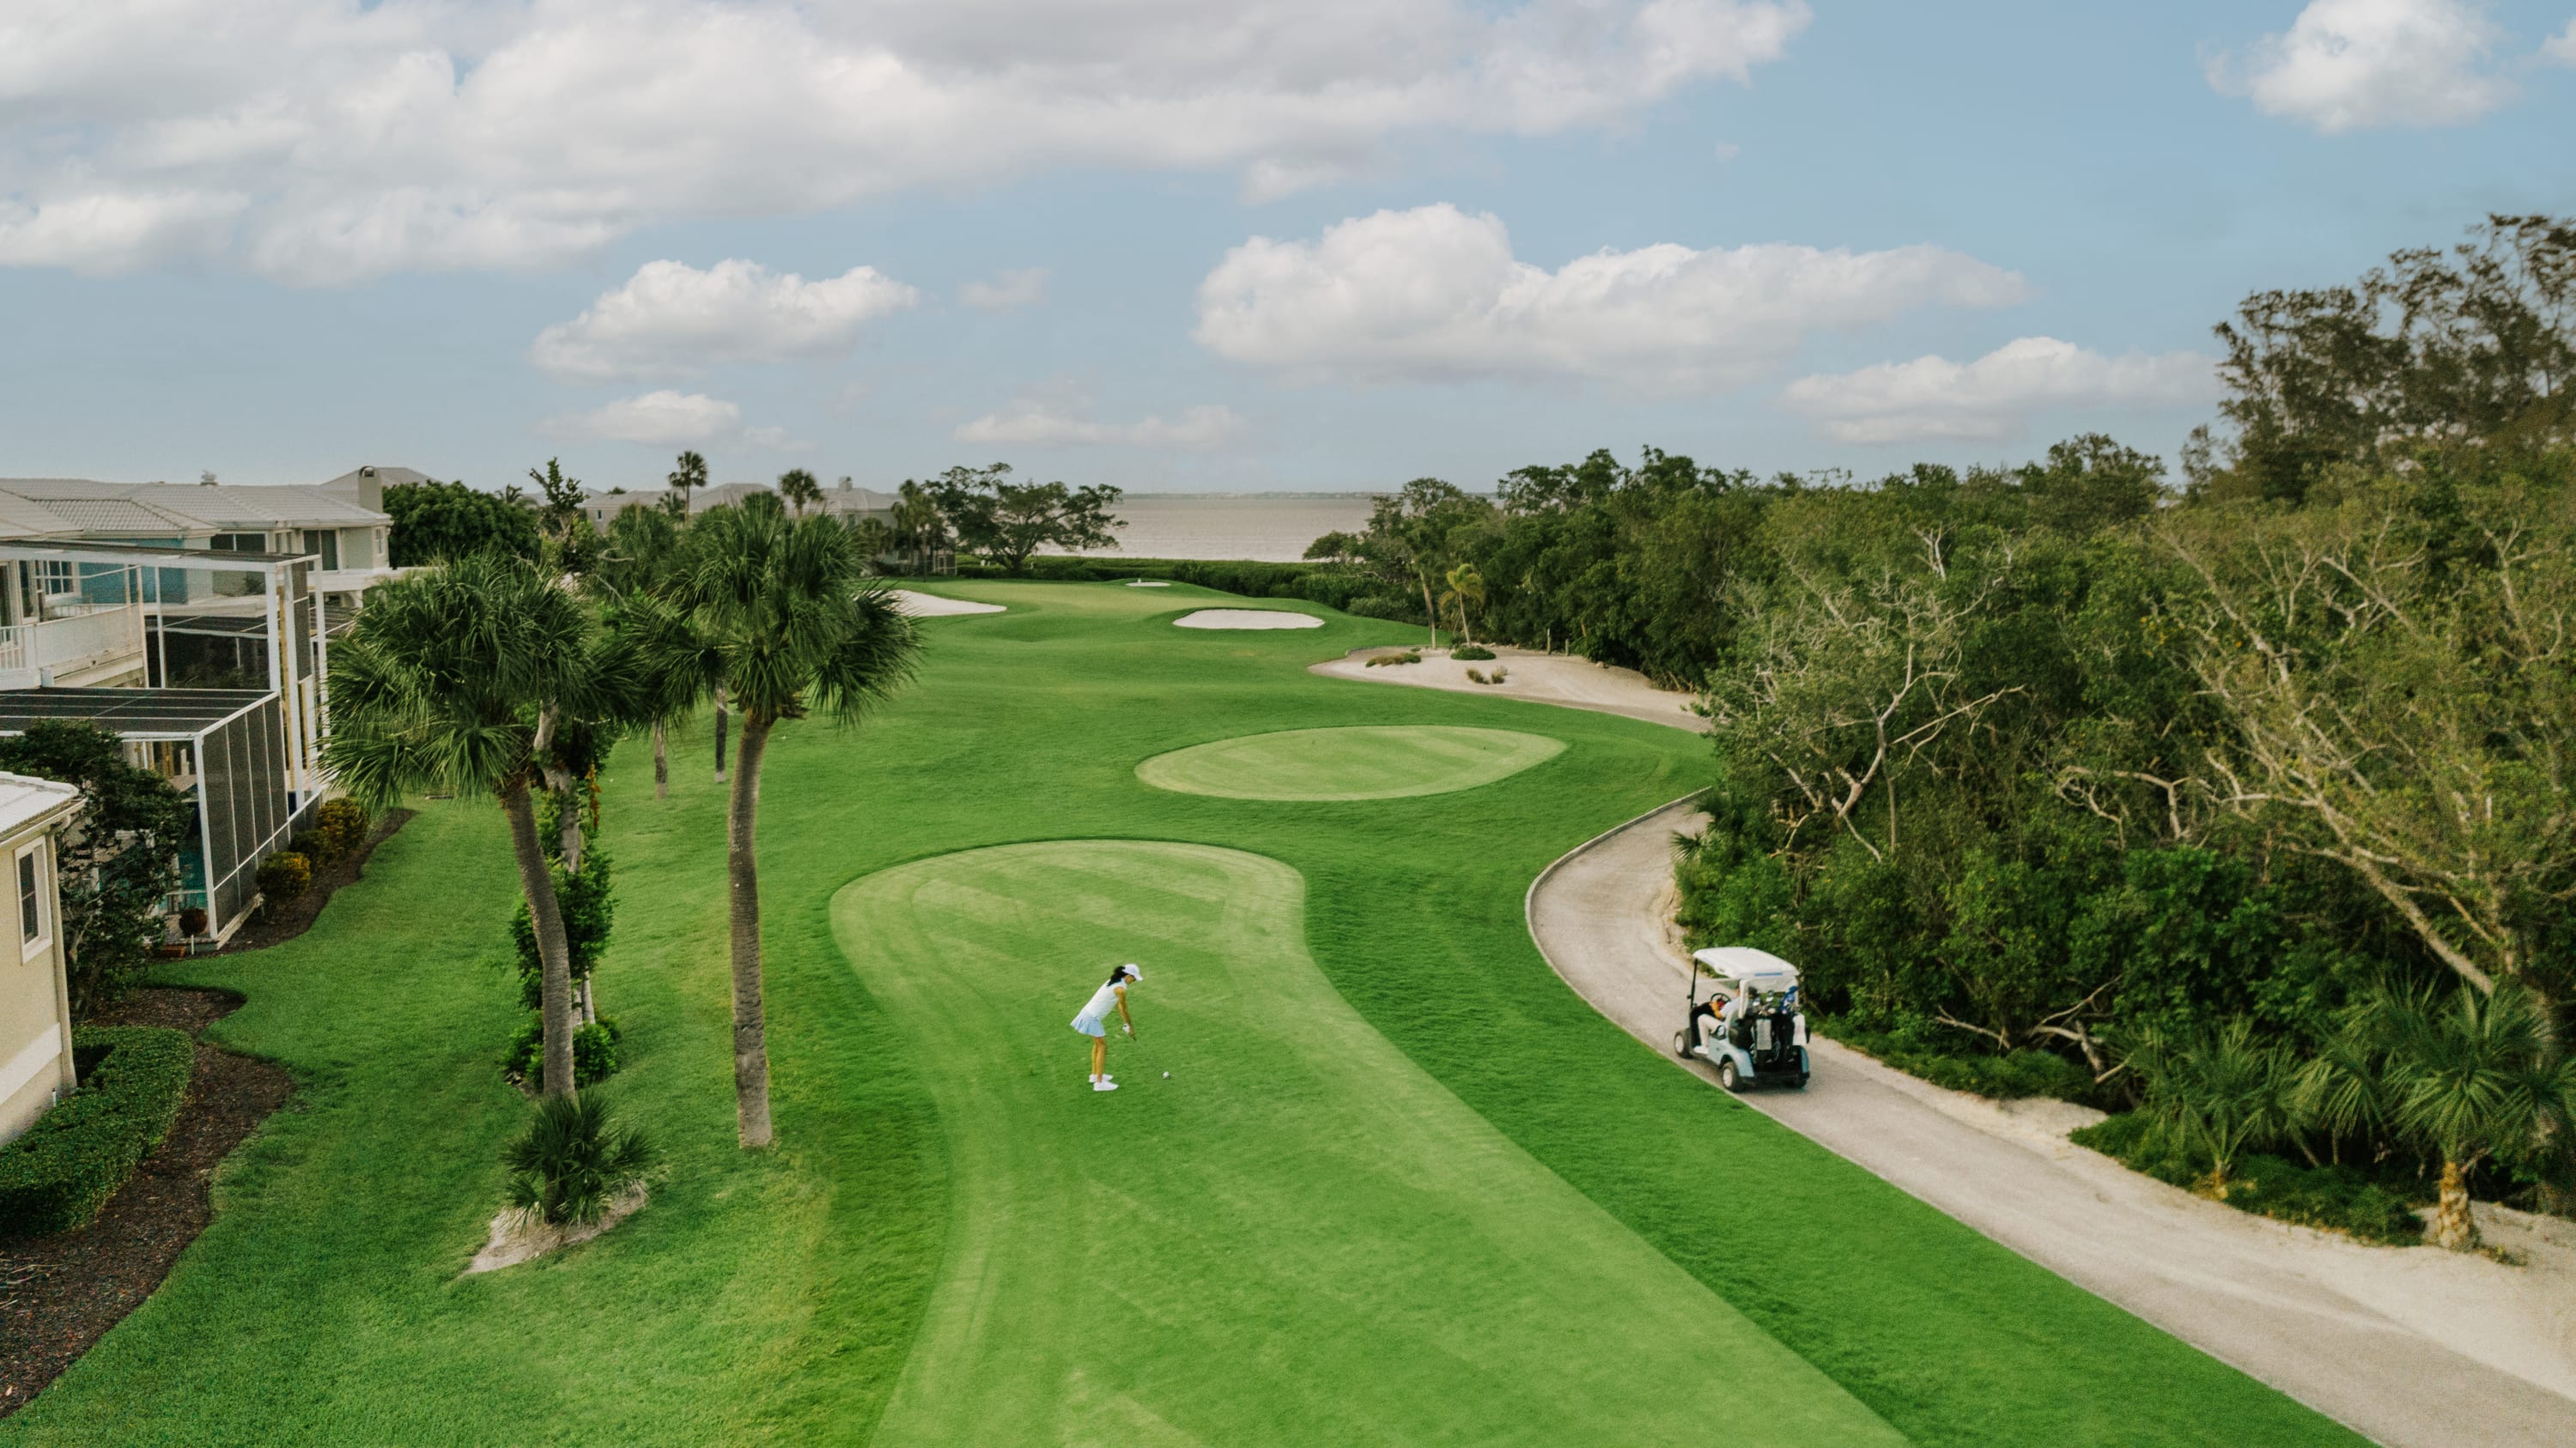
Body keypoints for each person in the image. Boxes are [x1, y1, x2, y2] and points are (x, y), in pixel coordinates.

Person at [1072, 963, 1140, 1092]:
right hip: (1091, 1017)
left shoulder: (1114, 981)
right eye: (1134, 978)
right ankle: (1099, 1083)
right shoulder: (1121, 989)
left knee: (1098, 1045)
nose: (1135, 981)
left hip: (1088, 1014)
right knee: (1102, 1046)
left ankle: (1095, 1075)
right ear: (1129, 976)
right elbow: (1124, 1010)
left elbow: (1117, 1005)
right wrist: (1131, 1027)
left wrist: (1125, 1023)